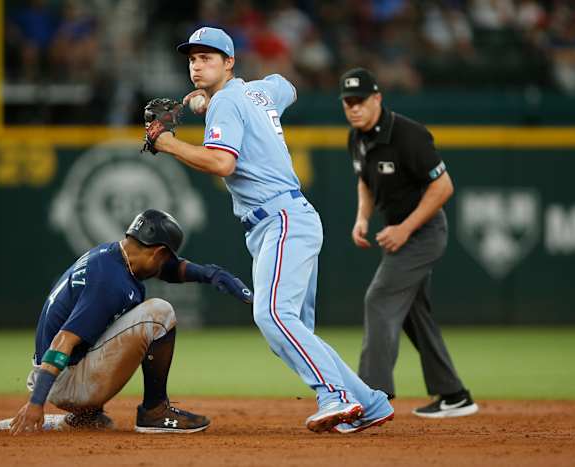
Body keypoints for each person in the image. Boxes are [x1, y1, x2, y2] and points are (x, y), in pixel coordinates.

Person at [142, 27, 393, 434]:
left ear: (229, 62)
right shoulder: (255, 92)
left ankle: (335, 396)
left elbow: (222, 163)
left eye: (207, 57)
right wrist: (215, 98)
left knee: (274, 315)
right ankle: (370, 403)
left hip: (281, 219)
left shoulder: (227, 102)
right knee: (290, 327)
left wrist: (168, 143)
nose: (196, 65)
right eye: (192, 58)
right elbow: (285, 86)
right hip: (286, 219)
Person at [8, 209, 253, 435]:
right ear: (158, 252)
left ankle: (86, 416)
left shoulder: (113, 257)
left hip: (57, 373)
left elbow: (170, 269)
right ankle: (154, 411)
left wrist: (211, 274)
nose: (164, 266)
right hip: (64, 380)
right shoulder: (109, 282)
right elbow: (64, 340)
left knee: (121, 320)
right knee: (159, 313)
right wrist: (35, 404)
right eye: (165, 258)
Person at [340, 67, 478, 418]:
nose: (354, 108)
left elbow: (443, 187)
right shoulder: (356, 138)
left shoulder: (408, 135)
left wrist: (405, 228)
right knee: (415, 316)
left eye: (360, 101)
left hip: (424, 233)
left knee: (380, 297)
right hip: (399, 233)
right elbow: (365, 182)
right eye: (348, 102)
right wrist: (362, 218)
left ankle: (371, 396)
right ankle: (454, 394)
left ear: (377, 99)